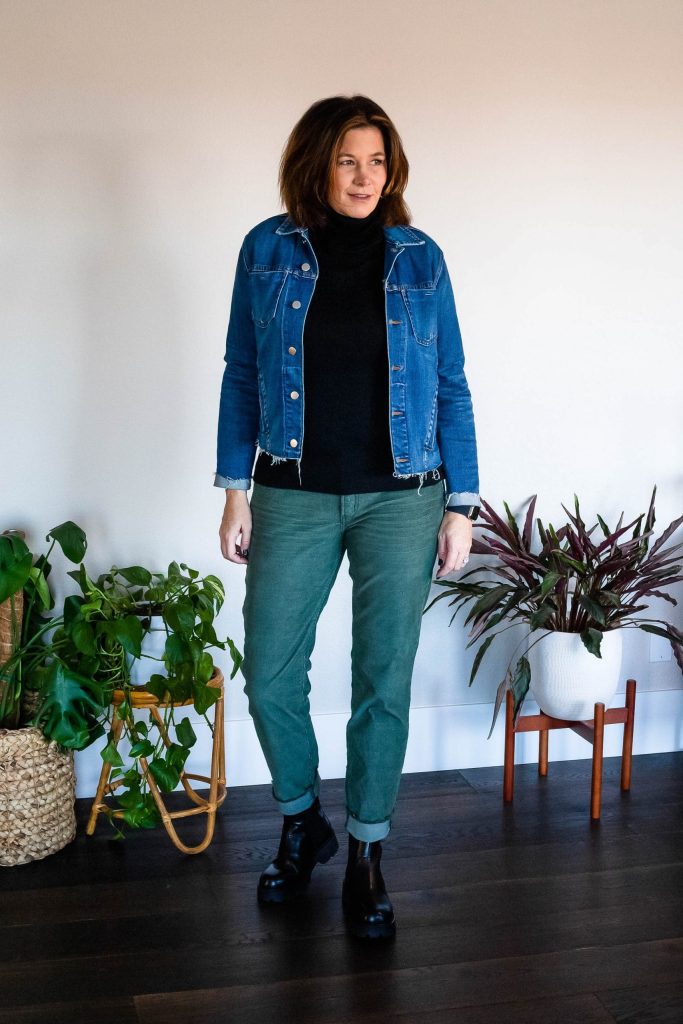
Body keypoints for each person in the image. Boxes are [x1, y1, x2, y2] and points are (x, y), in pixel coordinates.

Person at [216, 95, 480, 940]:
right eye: (347, 161)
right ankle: (302, 820)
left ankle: (366, 852)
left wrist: (462, 503)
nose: (365, 177)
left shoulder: (419, 259)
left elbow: (449, 386)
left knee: (383, 679)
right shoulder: (266, 250)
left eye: (377, 161)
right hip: (289, 488)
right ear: (315, 164)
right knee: (268, 671)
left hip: (404, 496)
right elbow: (242, 373)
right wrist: (233, 487)